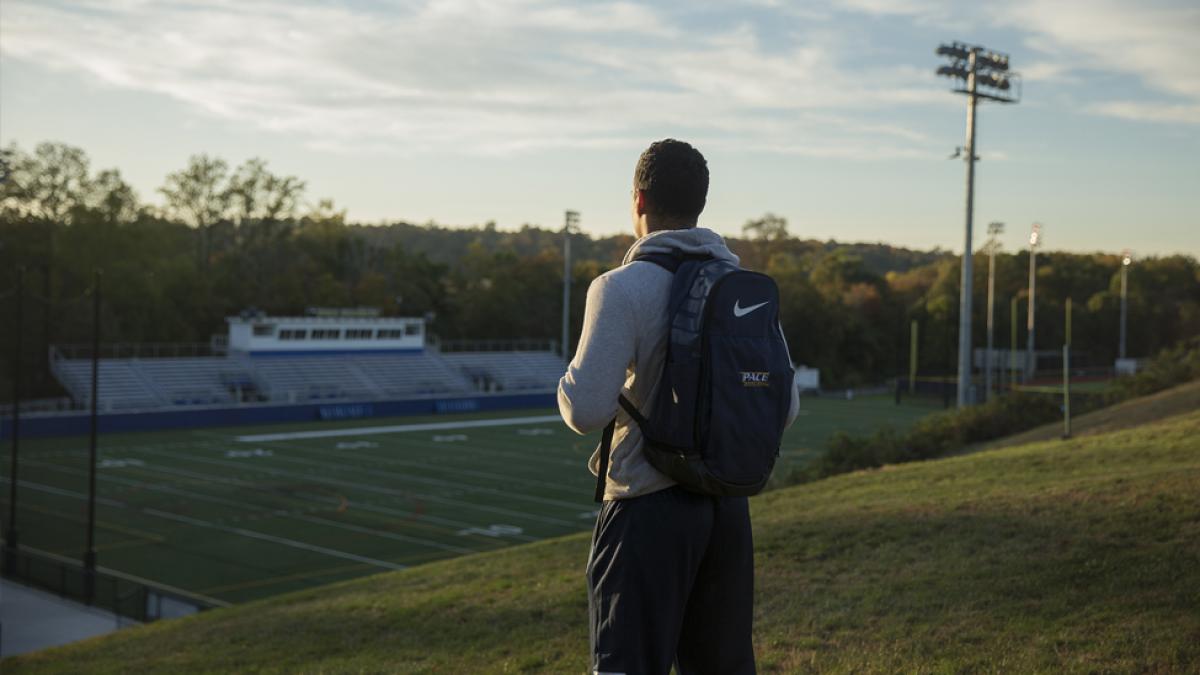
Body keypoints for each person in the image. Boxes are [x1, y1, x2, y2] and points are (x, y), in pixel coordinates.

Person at [558, 139, 802, 675]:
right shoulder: (743, 285)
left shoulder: (619, 288)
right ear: (700, 204)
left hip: (646, 508)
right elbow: (785, 407)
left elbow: (586, 410)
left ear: (639, 199)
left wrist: (569, 381)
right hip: (726, 510)